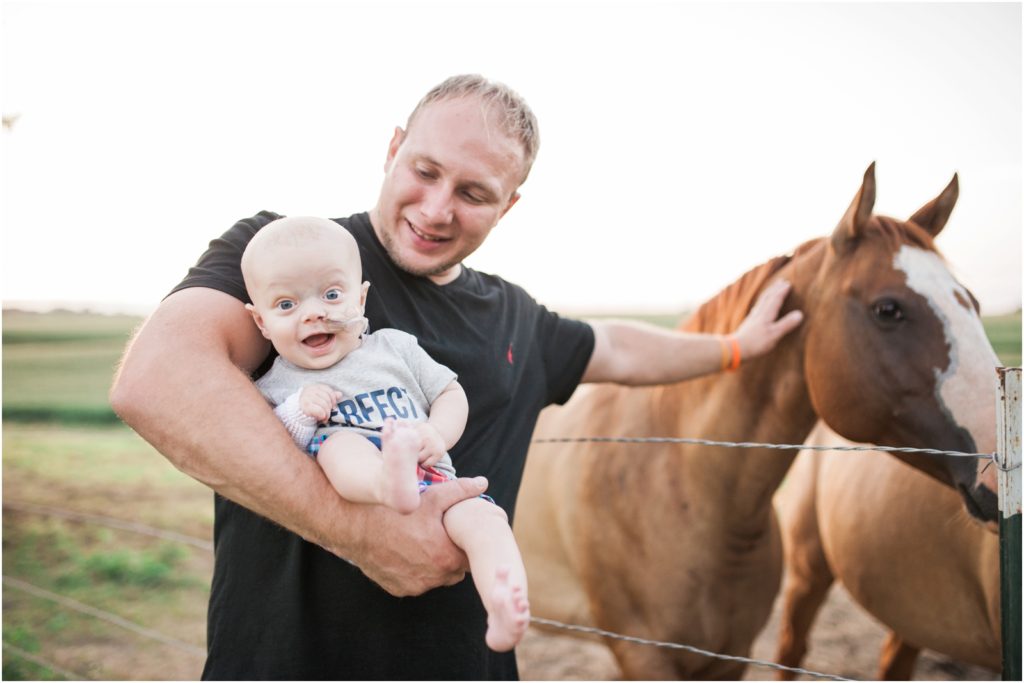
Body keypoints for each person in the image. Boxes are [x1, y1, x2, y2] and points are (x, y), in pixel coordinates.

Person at [110, 74, 803, 680]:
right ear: (391, 149)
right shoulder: (288, 261)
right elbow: (155, 378)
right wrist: (360, 533)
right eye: (425, 169)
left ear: (509, 206)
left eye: (474, 192)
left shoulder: (516, 319)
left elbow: (617, 349)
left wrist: (737, 346)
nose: (438, 208)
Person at [242, 215, 530, 652]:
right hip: (363, 481)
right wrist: (300, 412)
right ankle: (385, 480)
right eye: (286, 305)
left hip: (432, 477)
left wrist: (437, 433)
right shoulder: (280, 382)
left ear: (360, 298)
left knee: (487, 520)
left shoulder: (394, 347)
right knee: (340, 444)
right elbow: (275, 444)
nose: (314, 312)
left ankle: (504, 603)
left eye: (332, 294)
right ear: (260, 322)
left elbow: (450, 392)